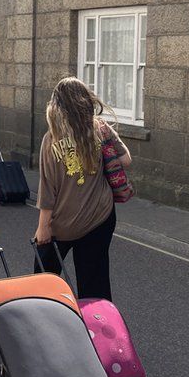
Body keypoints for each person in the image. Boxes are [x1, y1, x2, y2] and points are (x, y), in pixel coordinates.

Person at [34, 77, 131, 302]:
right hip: (100, 217)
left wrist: (42, 228)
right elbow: (126, 159)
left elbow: (48, 190)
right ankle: (97, 330)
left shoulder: (52, 139)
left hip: (62, 225)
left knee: (42, 283)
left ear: (56, 106)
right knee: (95, 285)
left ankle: (49, 324)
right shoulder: (100, 129)